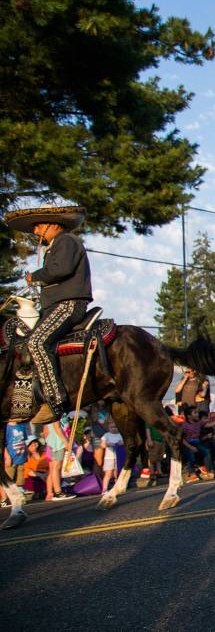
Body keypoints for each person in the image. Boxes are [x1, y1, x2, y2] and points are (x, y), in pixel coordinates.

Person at [3, 205, 92, 423]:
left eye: (38, 226)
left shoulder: (66, 241)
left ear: (52, 224)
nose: (35, 231)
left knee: (37, 343)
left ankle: (55, 399)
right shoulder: (55, 245)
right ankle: (24, 400)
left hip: (68, 305)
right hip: (53, 307)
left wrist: (35, 276)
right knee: (23, 345)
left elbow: (60, 270)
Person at [42, 420, 71, 501]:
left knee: (52, 469)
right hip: (58, 443)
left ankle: (50, 493)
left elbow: (46, 430)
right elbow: (57, 427)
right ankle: (58, 492)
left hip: (53, 442)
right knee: (56, 467)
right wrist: (66, 442)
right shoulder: (55, 411)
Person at [99, 419, 123, 493]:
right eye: (112, 427)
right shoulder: (106, 435)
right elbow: (102, 445)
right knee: (108, 473)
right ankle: (104, 489)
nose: (114, 428)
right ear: (109, 427)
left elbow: (123, 442)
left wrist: (121, 443)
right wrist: (108, 444)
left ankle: (117, 487)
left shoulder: (120, 435)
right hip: (109, 457)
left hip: (118, 457)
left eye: (115, 427)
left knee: (117, 473)